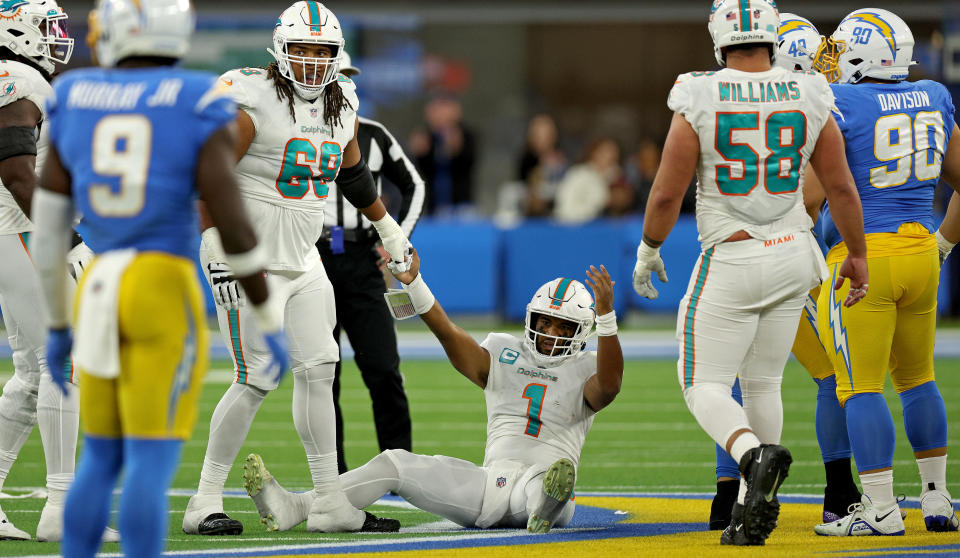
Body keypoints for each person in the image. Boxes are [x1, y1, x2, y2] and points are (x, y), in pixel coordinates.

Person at [31, 1, 290, 556]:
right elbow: (232, 218)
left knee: (100, 455)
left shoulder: (72, 96)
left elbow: (50, 228)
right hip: (159, 283)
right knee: (148, 458)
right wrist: (268, 315)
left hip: (99, 281)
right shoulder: (197, 98)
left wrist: (56, 324)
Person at [632, 0, 869, 546]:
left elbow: (668, 190)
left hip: (734, 255)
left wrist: (649, 248)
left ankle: (749, 457)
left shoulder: (699, 90)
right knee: (763, 381)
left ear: (719, 40)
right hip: (795, 252)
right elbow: (840, 188)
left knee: (702, 384)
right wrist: (856, 254)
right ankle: (747, 511)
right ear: (770, 37)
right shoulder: (808, 92)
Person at [182, 1, 409, 535]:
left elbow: (352, 174)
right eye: (301, 50)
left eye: (322, 51)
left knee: (320, 368)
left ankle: (330, 499)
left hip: (306, 258)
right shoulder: (250, 98)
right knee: (257, 376)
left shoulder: (344, 101)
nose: (311, 62)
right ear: (280, 52)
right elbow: (206, 174)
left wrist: (388, 227)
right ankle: (204, 499)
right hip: (248, 256)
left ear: (337, 56)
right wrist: (214, 244)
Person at [241, 252, 623, 534]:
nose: (550, 332)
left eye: (562, 326)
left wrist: (607, 319)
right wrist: (415, 285)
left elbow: (608, 387)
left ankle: (546, 504)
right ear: (531, 319)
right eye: (545, 321)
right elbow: (449, 334)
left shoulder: (588, 366)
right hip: (490, 483)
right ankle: (297, 506)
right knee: (394, 462)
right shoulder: (505, 352)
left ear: (583, 332)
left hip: (544, 477)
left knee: (550, 479)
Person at [707, 12, 861, 532]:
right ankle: (839, 489)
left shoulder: (723, 97)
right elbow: (820, 195)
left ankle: (728, 494)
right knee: (829, 376)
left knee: (731, 377)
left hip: (733, 256)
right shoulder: (808, 103)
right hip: (790, 265)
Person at [809, 8, 960, 536]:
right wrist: (943, 242)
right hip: (921, 252)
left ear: (860, 53)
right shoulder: (935, 96)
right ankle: (937, 497)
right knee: (919, 379)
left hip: (863, 258)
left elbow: (809, 198)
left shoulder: (839, 102)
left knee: (860, 387)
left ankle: (878, 508)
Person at [0, 0, 110, 543]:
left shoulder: (20, 78)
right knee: (63, 364)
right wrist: (65, 240)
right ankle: (62, 509)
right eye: (50, 27)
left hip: (14, 234)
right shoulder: (18, 77)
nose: (59, 37)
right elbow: (18, 172)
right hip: (22, 233)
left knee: (30, 374)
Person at [314, 51, 425, 475]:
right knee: (324, 374)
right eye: (336, 75)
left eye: (346, 76)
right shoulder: (289, 133)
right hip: (315, 256)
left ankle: (404, 468)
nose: (343, 84)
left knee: (382, 366)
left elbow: (413, 183)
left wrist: (398, 235)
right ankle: (332, 475)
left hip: (361, 259)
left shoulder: (373, 134)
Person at [410, 94, 476, 214]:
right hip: (432, 206)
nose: (441, 114)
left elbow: (467, 161)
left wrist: (451, 142)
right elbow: (420, 170)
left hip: (462, 206)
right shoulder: (425, 137)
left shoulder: (466, 135)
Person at [553, 137, 621, 223]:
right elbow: (565, 208)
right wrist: (605, 200)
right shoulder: (578, 174)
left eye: (613, 154)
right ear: (594, 153)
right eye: (605, 153)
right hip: (573, 227)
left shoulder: (614, 177)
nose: (610, 157)